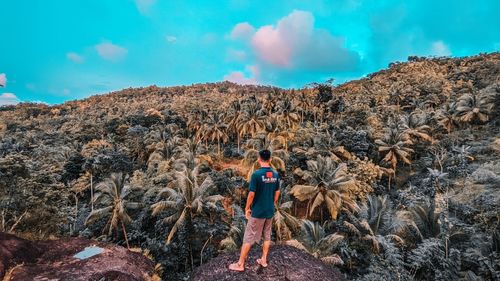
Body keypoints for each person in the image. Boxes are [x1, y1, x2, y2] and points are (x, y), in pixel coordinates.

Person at [229, 149, 280, 272]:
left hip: (258, 212)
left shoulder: (256, 175)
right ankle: (263, 260)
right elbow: (277, 192)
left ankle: (240, 264)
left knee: (248, 237)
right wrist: (272, 203)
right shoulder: (275, 174)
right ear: (270, 159)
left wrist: (247, 208)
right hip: (270, 211)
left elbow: (251, 194)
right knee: (267, 236)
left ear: (259, 159)